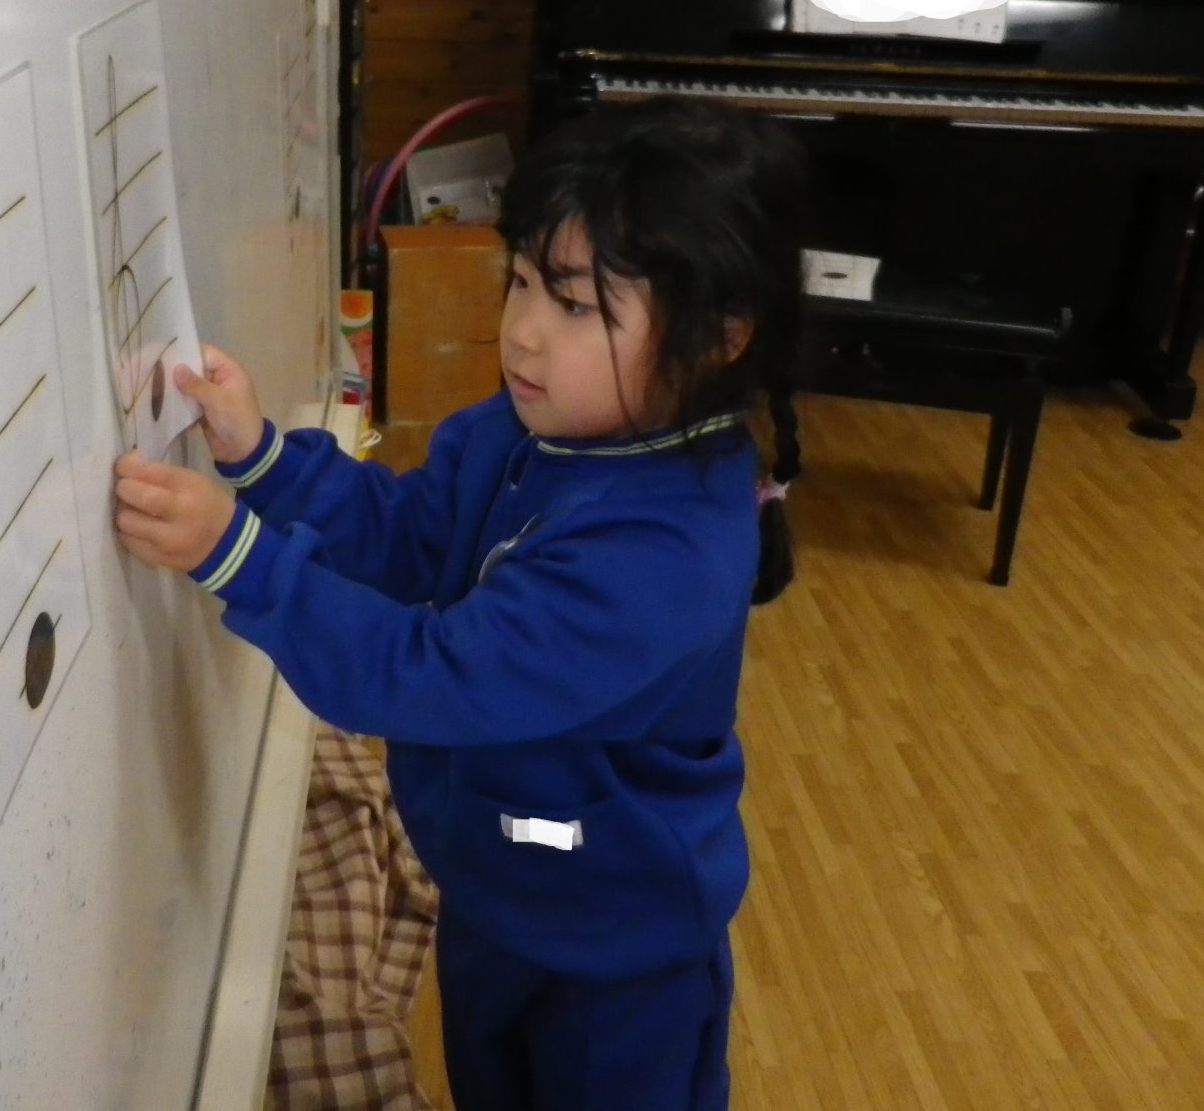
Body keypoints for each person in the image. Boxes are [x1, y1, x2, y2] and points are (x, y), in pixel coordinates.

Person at [114, 99, 805, 1110]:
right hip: (493, 886)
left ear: (717, 339)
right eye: (519, 279)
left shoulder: (664, 552)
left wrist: (238, 558)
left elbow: (431, 675)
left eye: (576, 307)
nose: (522, 332)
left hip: (617, 949)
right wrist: (264, 462)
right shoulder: (527, 428)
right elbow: (411, 537)